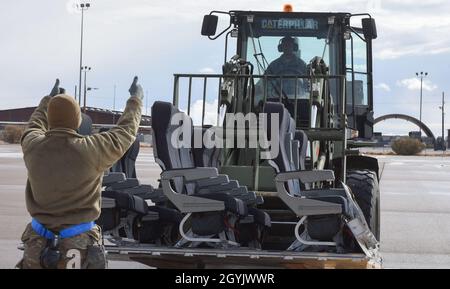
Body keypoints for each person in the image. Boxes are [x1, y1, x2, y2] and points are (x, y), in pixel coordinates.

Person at [17, 76, 144, 269]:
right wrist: (135, 99)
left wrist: (47, 101)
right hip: (79, 244)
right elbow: (126, 131)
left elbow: (34, 125)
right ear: (77, 120)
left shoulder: (33, 146)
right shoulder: (92, 149)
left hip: (38, 243)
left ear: (50, 120)